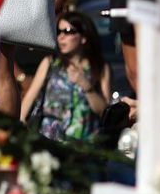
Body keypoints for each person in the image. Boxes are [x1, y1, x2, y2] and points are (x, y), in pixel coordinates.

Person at [21, 11, 110, 142]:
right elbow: (30, 97)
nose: (61, 37)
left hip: (85, 146)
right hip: (50, 141)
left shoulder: (100, 68)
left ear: (84, 37)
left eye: (68, 31)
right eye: (59, 31)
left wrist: (86, 86)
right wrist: (21, 124)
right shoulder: (50, 63)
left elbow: (105, 112)